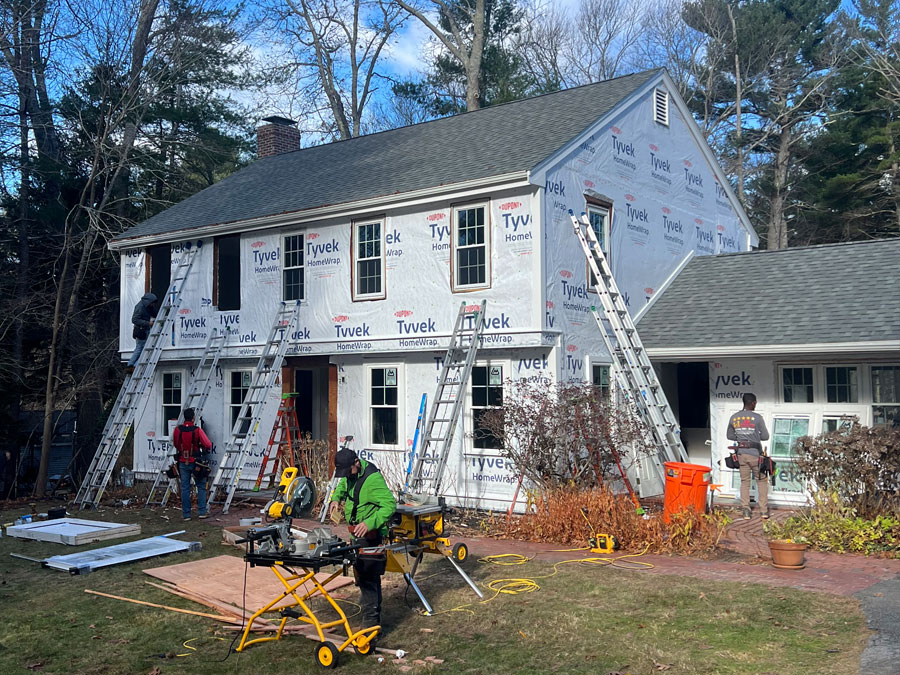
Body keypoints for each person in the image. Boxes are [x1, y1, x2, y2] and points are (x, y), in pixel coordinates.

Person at [328, 448, 396, 632]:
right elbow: (344, 484)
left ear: (356, 462)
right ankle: (371, 616)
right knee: (364, 577)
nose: (346, 476)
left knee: (369, 580)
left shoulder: (373, 480)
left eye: (347, 471)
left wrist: (370, 523)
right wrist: (336, 499)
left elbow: (390, 504)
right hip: (356, 535)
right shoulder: (352, 474)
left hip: (370, 537)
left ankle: (370, 627)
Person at [726, 392, 770, 520]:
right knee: (761, 481)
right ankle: (763, 511)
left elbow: (729, 436)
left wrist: (741, 438)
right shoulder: (757, 418)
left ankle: (746, 511)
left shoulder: (734, 417)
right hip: (756, 455)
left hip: (741, 455)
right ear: (754, 403)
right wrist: (755, 436)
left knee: (745, 482)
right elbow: (765, 436)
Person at [172, 408, 212, 521]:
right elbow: (208, 444)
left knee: (185, 488)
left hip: (182, 461)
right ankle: (202, 512)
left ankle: (186, 514)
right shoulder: (197, 430)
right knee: (201, 486)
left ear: (184, 417)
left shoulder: (177, 430)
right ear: (193, 418)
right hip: (196, 462)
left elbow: (176, 444)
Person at [127, 292, 159, 372]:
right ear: (149, 301)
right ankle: (132, 366)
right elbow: (134, 320)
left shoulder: (147, 306)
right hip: (140, 331)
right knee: (140, 349)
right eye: (152, 303)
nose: (153, 305)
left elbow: (154, 313)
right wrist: (148, 323)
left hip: (144, 330)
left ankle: (131, 366)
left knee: (141, 349)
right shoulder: (140, 307)